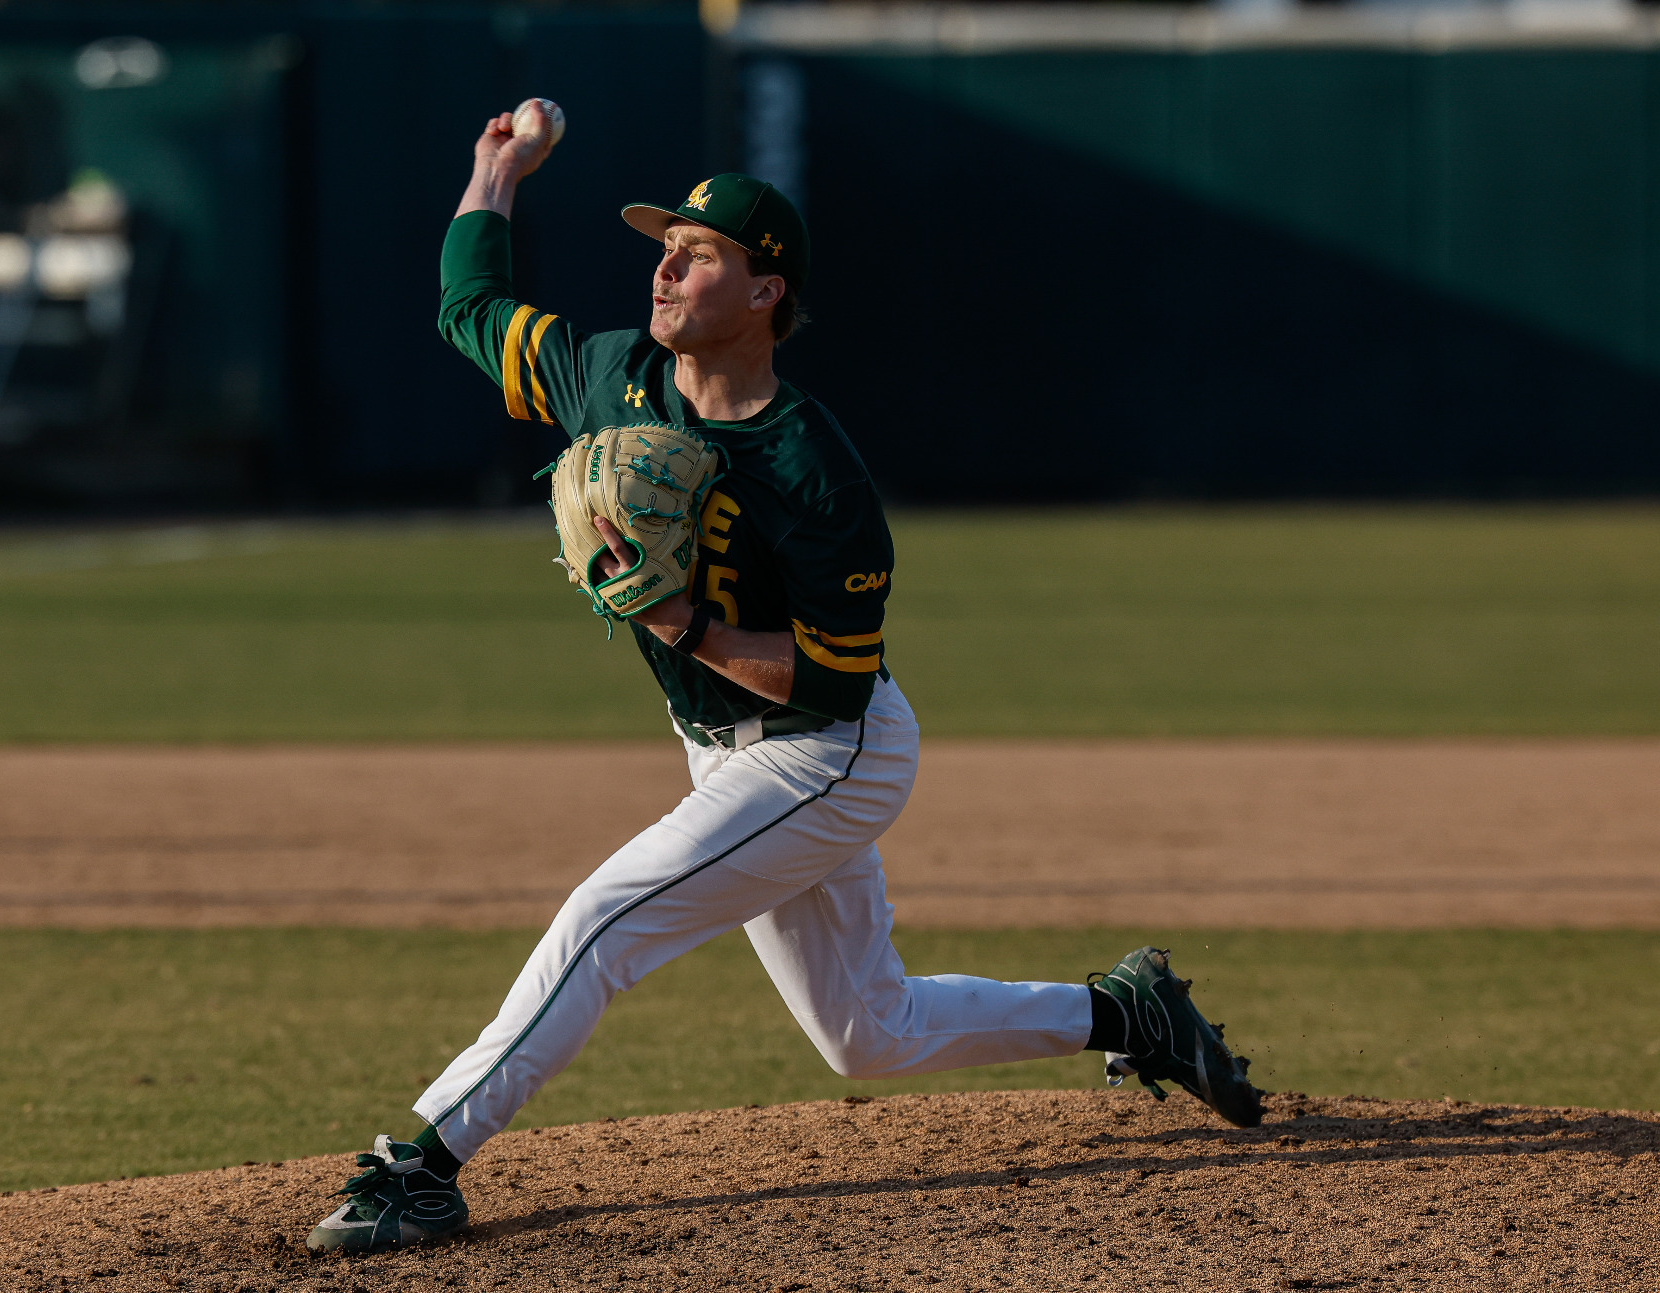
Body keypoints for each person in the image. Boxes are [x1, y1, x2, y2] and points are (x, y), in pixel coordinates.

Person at [306, 104, 1263, 1256]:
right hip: (723, 744)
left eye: (696, 252)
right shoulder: (613, 374)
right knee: (868, 1033)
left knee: (606, 918)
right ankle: (1127, 1012)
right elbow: (471, 307)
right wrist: (493, 172)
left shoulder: (815, 472)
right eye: (661, 245)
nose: (663, 264)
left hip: (826, 752)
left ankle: (426, 1162)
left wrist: (675, 617)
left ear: (765, 292)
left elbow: (830, 686)